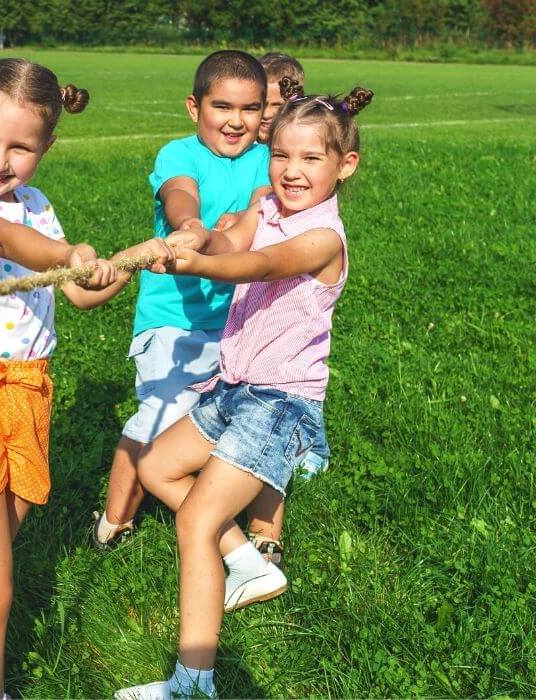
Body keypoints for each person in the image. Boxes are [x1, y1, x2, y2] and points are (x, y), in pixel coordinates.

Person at [0, 47, 165, 699]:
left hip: (27, 395)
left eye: (20, 147)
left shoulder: (41, 206)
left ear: (46, 146)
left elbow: (78, 294)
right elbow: (0, 240)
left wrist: (124, 265)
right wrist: (67, 254)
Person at [114, 78, 373, 700]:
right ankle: (248, 562)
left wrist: (199, 264)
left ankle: (192, 683)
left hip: (278, 403)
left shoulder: (321, 239)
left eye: (312, 158)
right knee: (156, 466)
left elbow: (256, 265)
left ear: (346, 166)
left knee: (197, 523)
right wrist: (194, 239)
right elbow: (234, 242)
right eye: (282, 154)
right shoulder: (267, 205)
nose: (292, 170)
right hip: (233, 385)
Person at [92, 51, 270, 550]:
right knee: (158, 418)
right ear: (194, 107)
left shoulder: (264, 161)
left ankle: (247, 527)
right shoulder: (179, 153)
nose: (236, 121)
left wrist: (234, 227)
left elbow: (260, 209)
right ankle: (114, 521)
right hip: (173, 322)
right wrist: (189, 225)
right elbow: (179, 195)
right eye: (222, 106)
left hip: (239, 323)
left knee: (239, 425)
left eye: (250, 109)